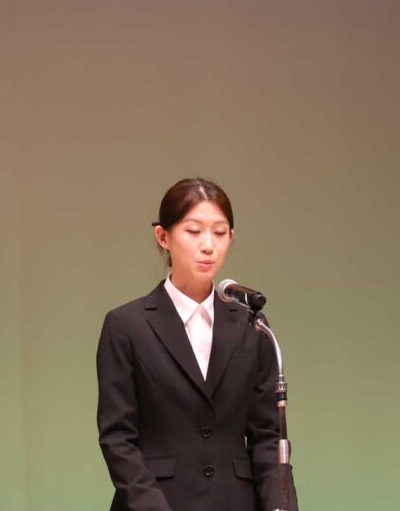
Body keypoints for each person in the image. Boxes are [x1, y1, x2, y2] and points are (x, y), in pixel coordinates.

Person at [96, 177, 299, 511]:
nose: (208, 245)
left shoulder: (252, 326)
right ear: (163, 237)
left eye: (220, 233)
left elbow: (267, 439)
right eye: (193, 231)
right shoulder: (126, 326)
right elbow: (118, 438)